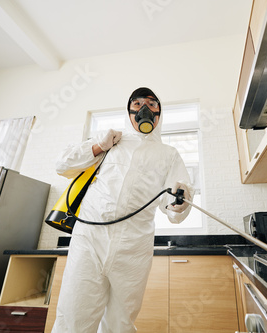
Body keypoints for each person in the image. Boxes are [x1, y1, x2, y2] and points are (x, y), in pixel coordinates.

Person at [52, 87, 193, 332]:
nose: (144, 109)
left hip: (133, 248)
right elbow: (62, 165)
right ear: (128, 112)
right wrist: (99, 145)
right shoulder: (110, 140)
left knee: (120, 322)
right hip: (89, 241)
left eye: (150, 103)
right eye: (137, 104)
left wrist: (180, 202)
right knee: (73, 317)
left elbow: (173, 211)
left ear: (159, 112)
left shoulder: (169, 155)